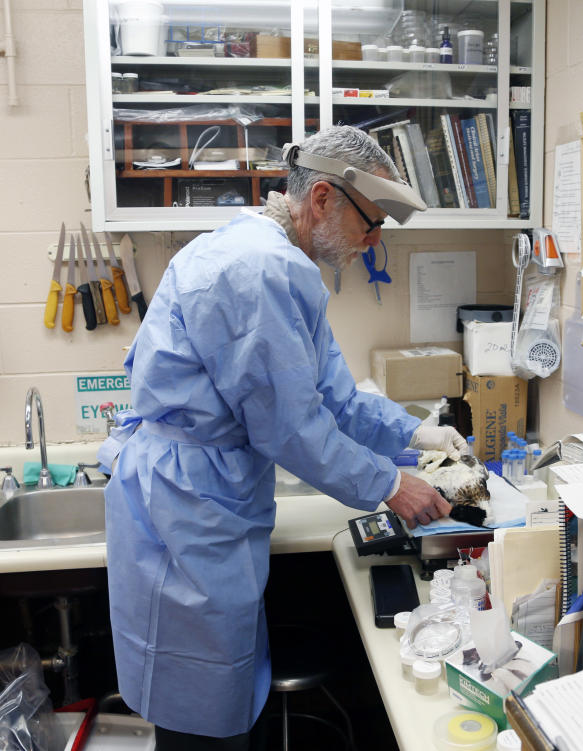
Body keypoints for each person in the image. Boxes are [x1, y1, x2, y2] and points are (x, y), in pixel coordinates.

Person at [100, 126, 466, 749]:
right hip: (186, 508)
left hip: (210, 501)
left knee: (222, 688)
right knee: (199, 711)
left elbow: (332, 398)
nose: (373, 242)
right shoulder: (256, 268)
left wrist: (418, 434)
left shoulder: (282, 263)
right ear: (322, 198)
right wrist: (390, 485)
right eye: (370, 223)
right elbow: (290, 427)